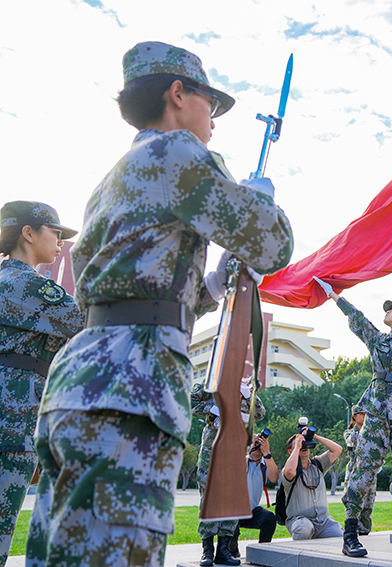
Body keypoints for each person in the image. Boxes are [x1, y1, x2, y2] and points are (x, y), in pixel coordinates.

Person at [26, 41, 293, 567]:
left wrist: (214, 283)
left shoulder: (116, 177)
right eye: (209, 105)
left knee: (64, 555)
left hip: (84, 377)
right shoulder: (176, 152)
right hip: (131, 383)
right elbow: (273, 243)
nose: (213, 121)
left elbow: (147, 290)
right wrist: (261, 197)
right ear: (177, 94)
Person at [314, 277, 392, 557]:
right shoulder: (378, 340)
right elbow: (358, 319)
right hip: (378, 413)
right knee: (363, 472)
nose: (387, 311)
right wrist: (335, 296)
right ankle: (350, 535)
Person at [0, 202, 84, 567]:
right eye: (56, 232)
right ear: (28, 233)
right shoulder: (23, 283)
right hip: (10, 418)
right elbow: (84, 318)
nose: (61, 241)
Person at [191, 379, 265, 566]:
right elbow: (192, 404)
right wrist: (217, 406)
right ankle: (207, 551)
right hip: (211, 454)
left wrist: (249, 396)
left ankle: (224, 549)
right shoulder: (211, 384)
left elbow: (258, 414)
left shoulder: (246, 389)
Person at [280, 427, 343, 540]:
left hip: (323, 521)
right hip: (299, 520)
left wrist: (314, 437)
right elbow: (289, 471)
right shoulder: (290, 469)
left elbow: (337, 450)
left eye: (305, 443)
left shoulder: (318, 464)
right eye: (299, 444)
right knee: (304, 528)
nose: (303, 446)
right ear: (290, 451)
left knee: (339, 534)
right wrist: (297, 446)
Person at [232, 431, 279, 548]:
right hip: (233, 511)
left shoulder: (265, 464)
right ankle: (231, 550)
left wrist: (267, 452)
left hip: (252, 510)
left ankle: (263, 549)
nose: (257, 446)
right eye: (256, 443)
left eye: (260, 443)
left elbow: (274, 478)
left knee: (270, 518)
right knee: (231, 530)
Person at [343, 406, 374, 535]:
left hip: (370, 471)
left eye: (366, 414)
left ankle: (365, 530)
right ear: (354, 416)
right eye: (361, 414)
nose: (364, 416)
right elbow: (354, 441)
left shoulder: (372, 432)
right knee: (353, 500)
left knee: (368, 502)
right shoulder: (349, 433)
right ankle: (352, 530)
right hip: (354, 470)